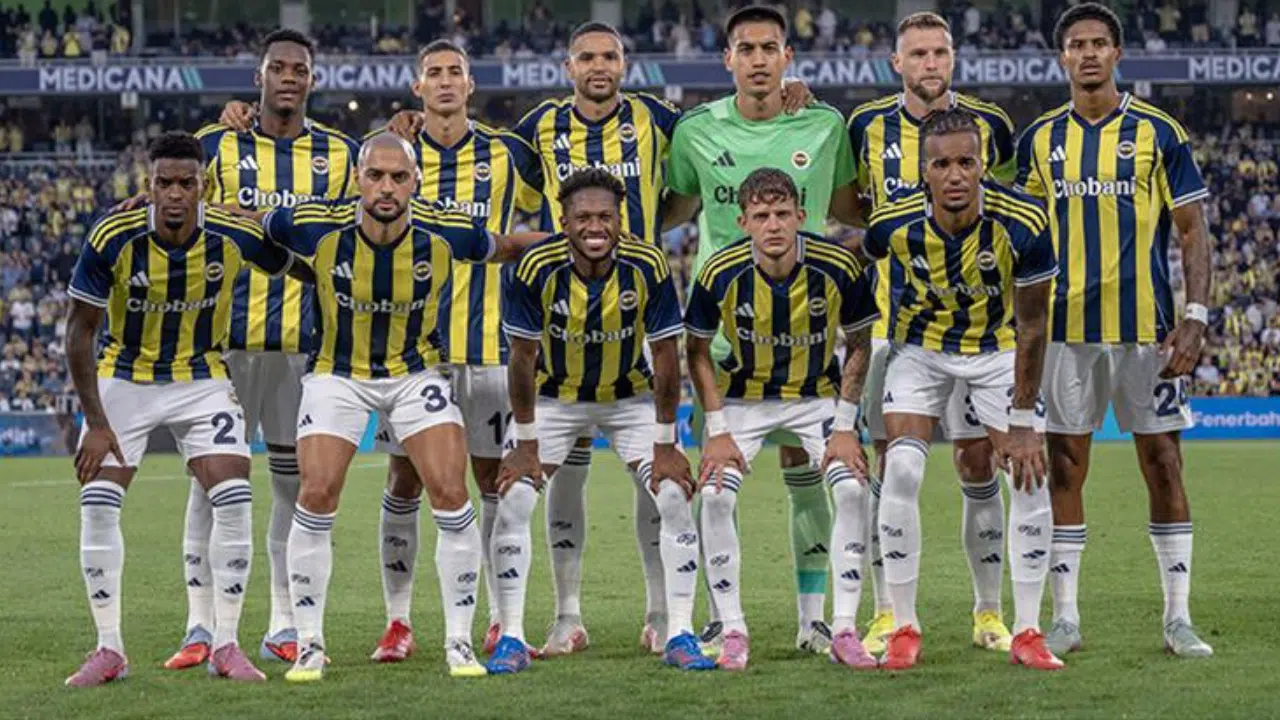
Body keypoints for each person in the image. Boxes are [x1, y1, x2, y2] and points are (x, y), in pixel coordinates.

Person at [259, 133, 540, 682]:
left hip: (415, 374)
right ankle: (309, 642)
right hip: (338, 373)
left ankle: (458, 643)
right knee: (316, 493)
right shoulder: (313, 223)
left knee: (452, 494)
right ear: (358, 178)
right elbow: (253, 225)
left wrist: (575, 234)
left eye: (398, 177)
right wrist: (190, 207)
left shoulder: (447, 230)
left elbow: (505, 246)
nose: (386, 187)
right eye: (375, 176)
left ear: (416, 181)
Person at [661, 3, 861, 655]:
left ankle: (814, 620)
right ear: (727, 59)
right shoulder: (695, 131)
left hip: (807, 343)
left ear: (786, 57)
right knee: (716, 483)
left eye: (768, 48)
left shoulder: (824, 125)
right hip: (725, 347)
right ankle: (721, 618)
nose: (756, 59)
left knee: (811, 480)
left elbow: (849, 207)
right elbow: (673, 208)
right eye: (745, 49)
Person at [159, 29, 362, 670]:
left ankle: (281, 621)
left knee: (291, 486)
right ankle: (200, 625)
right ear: (259, 77)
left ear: (312, 80)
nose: (289, 77)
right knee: (210, 485)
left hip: (305, 347)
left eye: (300, 68)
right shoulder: (217, 144)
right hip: (223, 347)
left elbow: (352, 235)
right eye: (279, 67)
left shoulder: (340, 153)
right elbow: (181, 215)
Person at [1016, 3, 1214, 658]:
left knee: (1165, 463)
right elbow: (1024, 239)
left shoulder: (1159, 132)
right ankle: (1066, 617)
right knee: (1065, 467)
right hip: (1064, 332)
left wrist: (1195, 315)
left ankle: (1178, 618)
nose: (1089, 53)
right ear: (1062, 58)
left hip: (1146, 333)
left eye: (1099, 42)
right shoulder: (1039, 139)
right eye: (1077, 44)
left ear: (1117, 53)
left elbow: (1194, 231)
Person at [63, 132, 293, 687]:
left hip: (202, 375)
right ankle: (109, 648)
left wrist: (258, 217)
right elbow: (78, 332)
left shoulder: (232, 233)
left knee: (234, 496)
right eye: (163, 182)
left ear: (202, 186)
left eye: (185, 183)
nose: (174, 194)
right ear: (148, 185)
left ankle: (226, 644)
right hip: (125, 375)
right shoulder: (114, 235)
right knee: (98, 501)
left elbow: (294, 263)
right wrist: (97, 423)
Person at [485, 168, 712, 674]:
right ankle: (516, 635)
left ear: (620, 220)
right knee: (514, 498)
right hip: (555, 398)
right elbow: (521, 358)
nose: (595, 227)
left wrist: (666, 443)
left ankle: (676, 629)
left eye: (605, 217)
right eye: (583, 217)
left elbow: (666, 355)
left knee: (673, 494)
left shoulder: (647, 263)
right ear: (563, 221)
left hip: (629, 397)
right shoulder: (534, 267)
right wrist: (525, 444)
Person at [846, 10, 1019, 655]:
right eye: (917, 54)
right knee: (890, 466)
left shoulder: (989, 123)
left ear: (953, 58)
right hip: (895, 332)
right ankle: (888, 613)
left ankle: (988, 612)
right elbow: (851, 206)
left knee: (978, 463)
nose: (930, 64)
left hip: (979, 328)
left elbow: (1004, 207)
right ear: (897, 63)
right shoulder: (864, 125)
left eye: (939, 52)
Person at [863, 108, 1060, 671]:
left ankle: (1027, 630)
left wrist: (1022, 422)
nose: (955, 175)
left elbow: (1033, 325)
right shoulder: (891, 223)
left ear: (983, 165)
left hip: (997, 350)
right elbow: (859, 267)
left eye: (967, 163)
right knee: (901, 469)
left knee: (1029, 474)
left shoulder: (1023, 221)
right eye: (942, 164)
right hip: (919, 351)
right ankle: (903, 626)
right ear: (923, 171)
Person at [684, 168, 878, 671]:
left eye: (782, 214)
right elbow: (697, 351)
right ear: (743, 222)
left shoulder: (838, 265)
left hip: (816, 398)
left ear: (801, 216)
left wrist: (845, 426)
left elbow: (860, 345)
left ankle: (842, 628)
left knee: (853, 489)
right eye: (762, 216)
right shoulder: (719, 271)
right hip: (743, 400)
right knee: (714, 495)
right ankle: (732, 629)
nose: (773, 225)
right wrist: (717, 430)